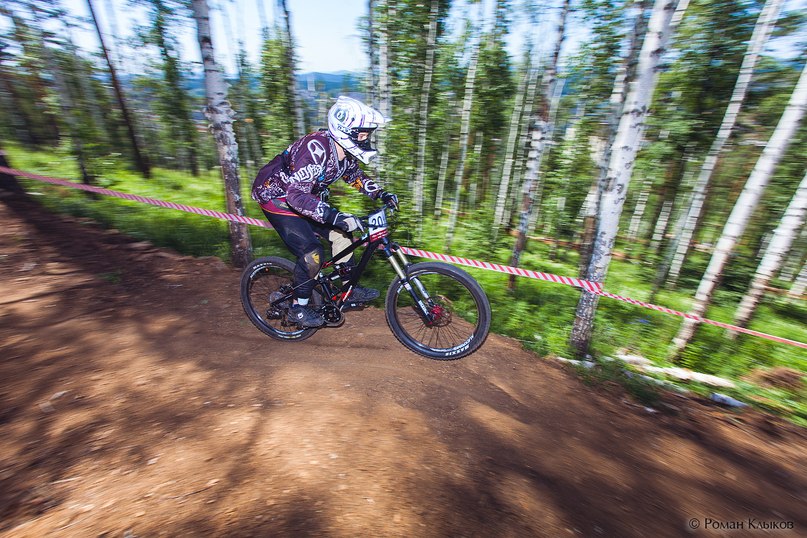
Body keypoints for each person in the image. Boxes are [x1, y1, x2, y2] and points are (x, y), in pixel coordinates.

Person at [251, 96, 399, 328]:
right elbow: (295, 196)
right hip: (277, 197)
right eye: (362, 134)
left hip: (304, 197)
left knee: (342, 234)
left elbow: (354, 176)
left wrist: (381, 193)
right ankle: (298, 308)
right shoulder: (316, 148)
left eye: (367, 135)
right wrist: (334, 216)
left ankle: (349, 287)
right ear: (345, 131)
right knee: (312, 253)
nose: (366, 139)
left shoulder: (342, 151)